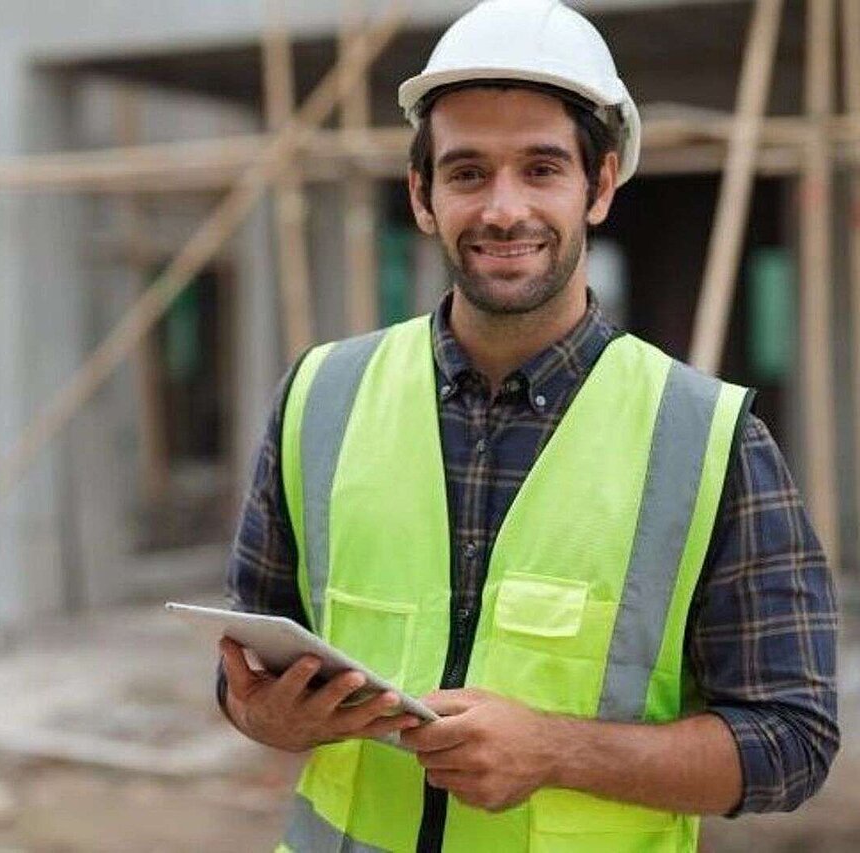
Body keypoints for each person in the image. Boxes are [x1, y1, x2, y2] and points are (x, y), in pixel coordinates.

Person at [217, 1, 839, 850]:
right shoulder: (319, 396)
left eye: (541, 168)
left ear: (601, 185)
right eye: (467, 172)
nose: (503, 210)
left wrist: (557, 750)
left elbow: (792, 743)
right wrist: (267, 717)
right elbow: (249, 665)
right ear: (423, 195)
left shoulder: (707, 439)